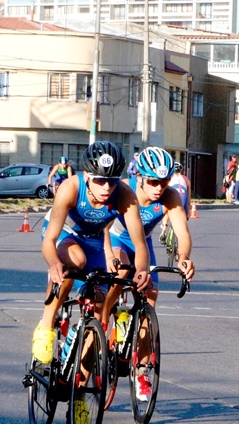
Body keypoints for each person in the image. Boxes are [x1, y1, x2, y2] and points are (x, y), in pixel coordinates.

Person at [31, 140, 151, 370]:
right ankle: (45, 327)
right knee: (75, 262)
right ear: (87, 176)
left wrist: (142, 270)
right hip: (66, 233)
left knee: (99, 303)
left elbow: (140, 243)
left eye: (112, 181)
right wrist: (54, 263)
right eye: (99, 181)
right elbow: (49, 240)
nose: (106, 188)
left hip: (94, 239)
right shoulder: (71, 188)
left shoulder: (125, 195)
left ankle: (79, 381)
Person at [106, 147, 196, 403]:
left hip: (142, 245)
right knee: (122, 271)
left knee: (149, 300)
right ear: (140, 177)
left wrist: (183, 258)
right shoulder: (124, 190)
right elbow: (103, 226)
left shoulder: (170, 196)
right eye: (154, 182)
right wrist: (108, 254)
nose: (159, 188)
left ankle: (142, 370)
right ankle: (103, 319)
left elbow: (183, 233)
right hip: (117, 240)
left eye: (164, 182)